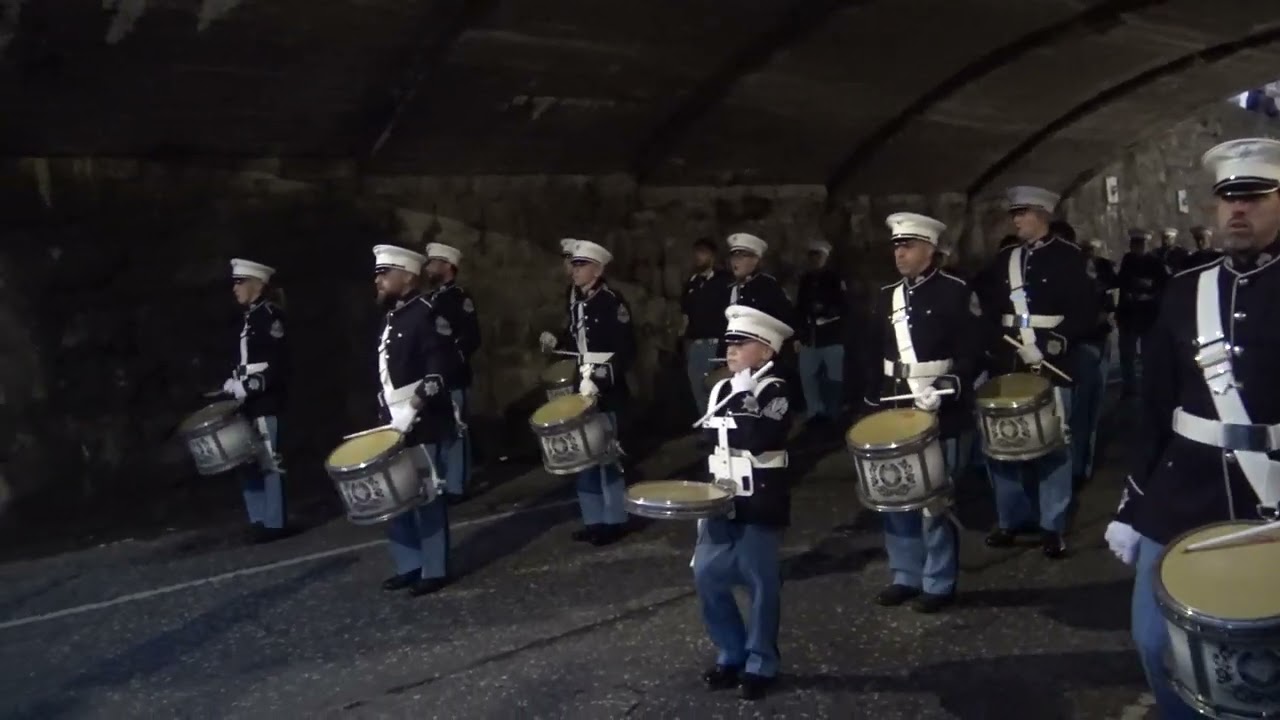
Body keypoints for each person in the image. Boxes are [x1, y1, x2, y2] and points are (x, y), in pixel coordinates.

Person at [1106, 137, 1280, 719]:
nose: (1238, 210)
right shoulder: (1186, 289)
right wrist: (1133, 503)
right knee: (1154, 642)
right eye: (1229, 198)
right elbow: (1155, 407)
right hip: (1183, 491)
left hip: (1273, 493)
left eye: (1254, 197)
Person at [863, 213, 981, 612]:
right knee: (895, 492)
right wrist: (869, 401)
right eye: (897, 246)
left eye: (908, 246)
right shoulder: (886, 296)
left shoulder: (955, 292)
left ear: (930, 250)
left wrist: (948, 386)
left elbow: (972, 351)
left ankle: (938, 580)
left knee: (935, 499)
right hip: (894, 403)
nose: (900, 254)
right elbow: (872, 352)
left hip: (939, 407)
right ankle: (905, 575)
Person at [972, 186, 1096, 558]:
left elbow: (1085, 310)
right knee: (1004, 443)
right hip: (1008, 360)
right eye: (1014, 213)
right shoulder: (1005, 259)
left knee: (1053, 445)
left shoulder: (1069, 257)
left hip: (1051, 361)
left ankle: (1051, 525)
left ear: (1042, 215)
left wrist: (1053, 343)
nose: (1016, 220)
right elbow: (986, 306)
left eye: (1022, 213)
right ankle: (1011, 519)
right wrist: (993, 340)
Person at [694, 304, 795, 701]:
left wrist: (746, 401)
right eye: (729, 343)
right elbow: (708, 437)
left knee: (760, 583)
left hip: (760, 497)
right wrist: (737, 401)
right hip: (721, 495)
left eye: (742, 343)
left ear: (766, 351)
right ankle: (730, 652)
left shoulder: (775, 389)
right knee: (707, 575)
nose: (731, 350)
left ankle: (760, 662)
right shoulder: (722, 388)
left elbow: (760, 439)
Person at [372, 244, 459, 596]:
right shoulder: (392, 317)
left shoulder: (427, 313)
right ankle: (409, 564)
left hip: (422, 418)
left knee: (427, 496)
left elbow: (439, 370)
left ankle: (434, 569)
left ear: (407, 276)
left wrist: (413, 408)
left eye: (384, 273)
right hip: (392, 419)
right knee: (396, 496)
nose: (377, 280)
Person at [539, 240, 636, 546]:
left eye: (581, 266)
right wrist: (556, 340)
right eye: (575, 265)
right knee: (582, 455)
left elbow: (625, 349)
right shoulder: (577, 302)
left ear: (597, 270)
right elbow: (575, 338)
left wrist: (600, 380)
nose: (574, 270)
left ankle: (615, 519)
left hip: (605, 387)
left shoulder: (611, 302)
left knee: (607, 455)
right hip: (579, 383)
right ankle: (593, 519)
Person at [224, 258, 290, 544]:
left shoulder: (271, 318)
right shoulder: (248, 318)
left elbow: (277, 364)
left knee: (270, 461)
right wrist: (232, 383)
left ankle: (275, 522)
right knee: (245, 460)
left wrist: (248, 386)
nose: (235, 288)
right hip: (245, 401)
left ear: (258, 285)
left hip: (264, 400)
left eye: (240, 282)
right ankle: (258, 518)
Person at [423, 242, 481, 502]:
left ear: (447, 266)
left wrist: (449, 363)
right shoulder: (430, 299)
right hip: (433, 378)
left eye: (433, 262)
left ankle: (457, 486)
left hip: (453, 376)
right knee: (436, 431)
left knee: (456, 430)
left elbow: (470, 337)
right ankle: (442, 481)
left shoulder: (459, 298)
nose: (428, 267)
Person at [1070, 239, 1118, 484]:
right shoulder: (1074, 286)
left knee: (1089, 408)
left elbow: (1107, 310)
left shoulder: (1100, 283)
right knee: (1083, 409)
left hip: (1095, 343)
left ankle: (1082, 464)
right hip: (1084, 346)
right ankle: (1078, 465)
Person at [795, 239, 847, 426]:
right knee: (808, 377)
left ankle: (833, 415)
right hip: (809, 337)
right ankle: (814, 414)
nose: (815, 259)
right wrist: (798, 336)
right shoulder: (805, 280)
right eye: (812, 256)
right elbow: (799, 309)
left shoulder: (834, 279)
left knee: (834, 379)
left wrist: (826, 311)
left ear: (825, 257)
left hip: (831, 336)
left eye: (819, 255)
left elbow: (844, 306)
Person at [680, 237, 732, 414]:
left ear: (712, 256)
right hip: (696, 345)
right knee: (699, 392)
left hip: (717, 344)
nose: (697, 256)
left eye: (702, 252)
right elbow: (686, 315)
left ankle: (725, 425)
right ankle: (708, 425)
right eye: (696, 252)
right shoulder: (691, 283)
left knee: (719, 390)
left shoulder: (724, 281)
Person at [1115, 229, 1168, 397]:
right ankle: (1129, 387)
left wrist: (1149, 293)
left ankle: (1150, 386)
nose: (1137, 247)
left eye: (1140, 244)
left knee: (1148, 354)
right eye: (1135, 244)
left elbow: (1163, 286)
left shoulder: (1155, 262)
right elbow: (1122, 282)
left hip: (1147, 315)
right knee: (1127, 354)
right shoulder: (1128, 260)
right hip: (1129, 315)